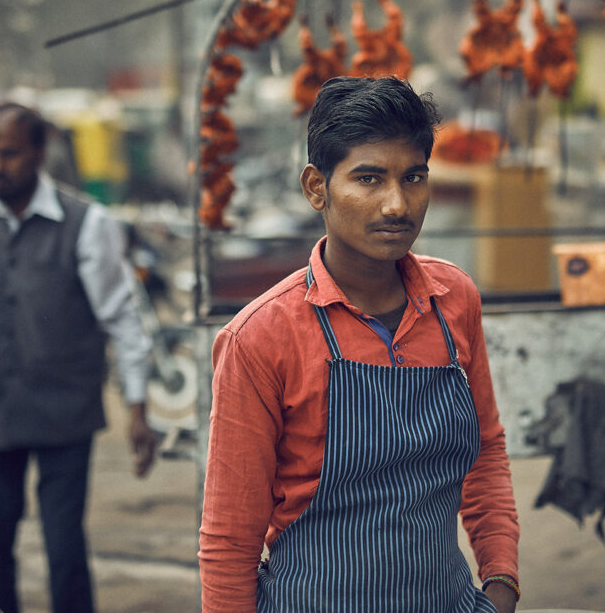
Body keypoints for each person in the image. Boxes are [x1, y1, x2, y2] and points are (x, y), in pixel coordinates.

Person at [198, 76, 520, 612]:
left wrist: (501, 586)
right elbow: (230, 540)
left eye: (413, 177)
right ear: (316, 188)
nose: (397, 204)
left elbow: (485, 454)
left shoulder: (454, 300)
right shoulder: (260, 338)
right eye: (369, 178)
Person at [0, 100, 157, 613]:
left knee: (64, 551)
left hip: (67, 416)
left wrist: (137, 407)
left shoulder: (88, 224)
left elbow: (122, 319)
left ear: (39, 153)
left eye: (10, 153)